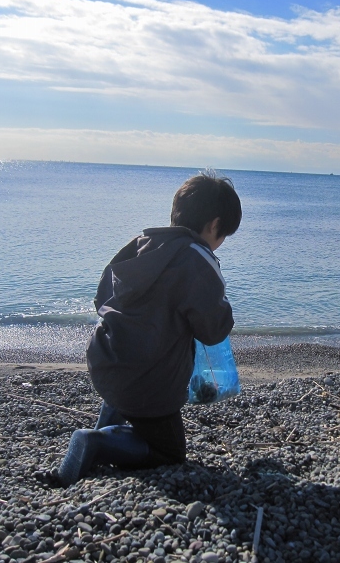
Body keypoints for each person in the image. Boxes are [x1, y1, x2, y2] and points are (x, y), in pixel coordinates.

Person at [56, 171, 242, 487]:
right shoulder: (197, 261)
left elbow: (103, 296)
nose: (220, 244)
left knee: (133, 358)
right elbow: (213, 330)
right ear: (214, 225)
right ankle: (96, 443)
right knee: (168, 450)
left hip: (106, 360)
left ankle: (103, 430)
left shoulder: (142, 243)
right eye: (223, 236)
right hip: (147, 385)